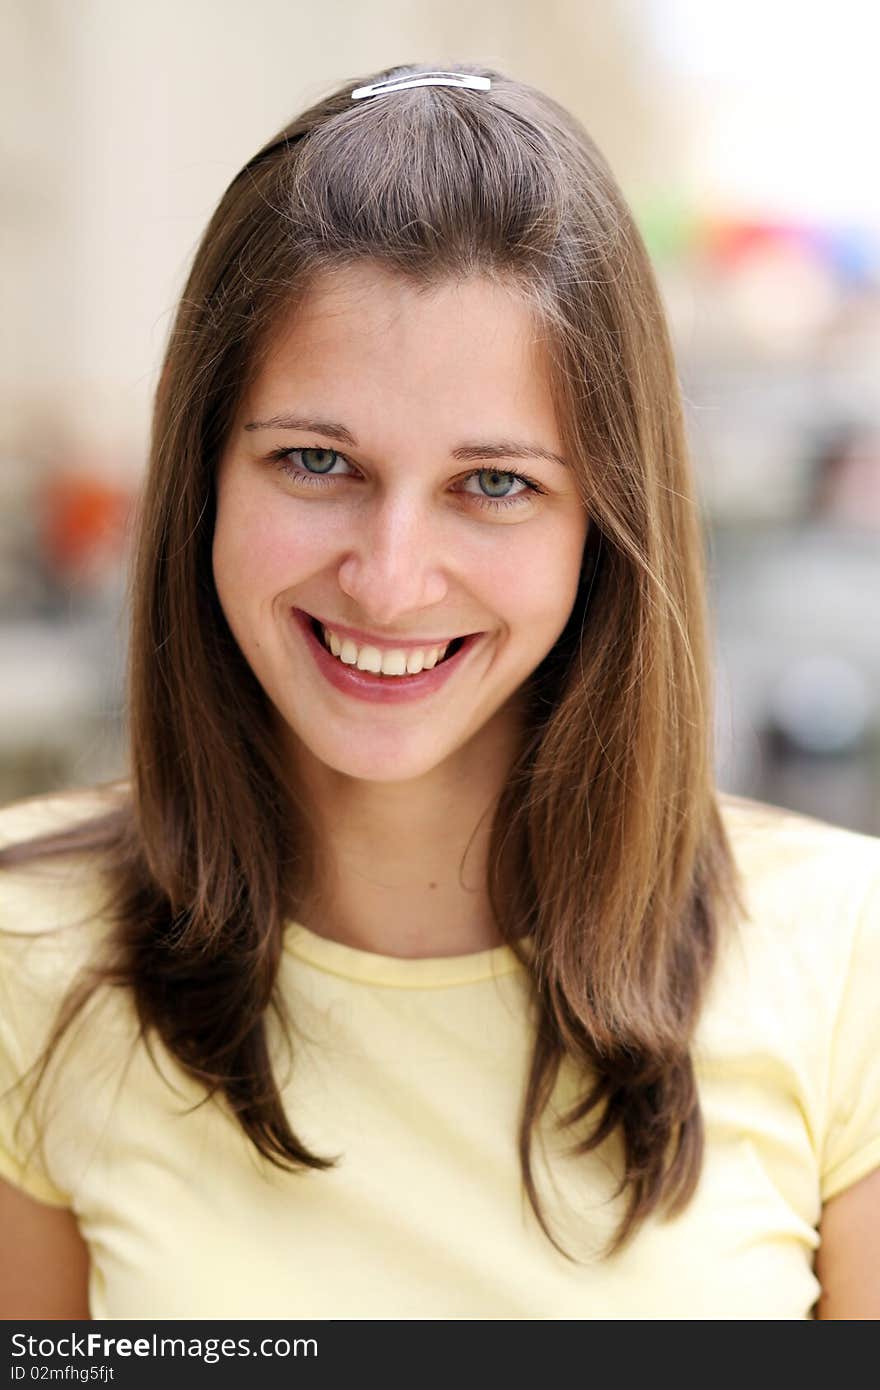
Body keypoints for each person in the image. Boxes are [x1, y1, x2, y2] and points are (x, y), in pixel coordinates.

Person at [1, 63, 878, 1322]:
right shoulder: (23, 951)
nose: (390, 578)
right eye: (316, 461)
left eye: (496, 483)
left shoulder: (851, 959)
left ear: (605, 523)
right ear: (203, 477)